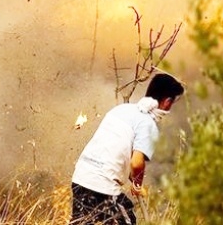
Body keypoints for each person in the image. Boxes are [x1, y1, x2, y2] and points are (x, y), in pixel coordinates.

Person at [69, 73, 185, 225]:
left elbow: (118, 152)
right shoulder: (148, 125)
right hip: (103, 186)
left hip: (81, 177)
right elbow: (136, 163)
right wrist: (137, 185)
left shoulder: (121, 109)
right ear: (167, 102)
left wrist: (133, 178)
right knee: (127, 219)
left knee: (82, 222)